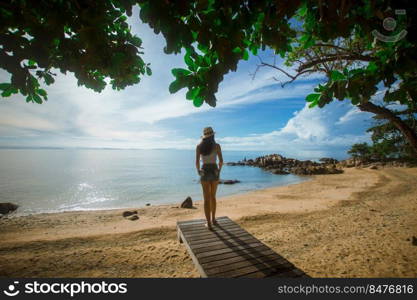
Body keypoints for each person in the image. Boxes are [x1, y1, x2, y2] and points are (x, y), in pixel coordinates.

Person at [196, 126, 223, 230]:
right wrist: (219, 171)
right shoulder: (217, 146)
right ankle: (214, 219)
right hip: (214, 170)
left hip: (205, 170)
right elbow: (221, 161)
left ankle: (209, 223)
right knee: (213, 197)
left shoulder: (199, 146)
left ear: (204, 136)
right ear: (213, 135)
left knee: (206, 199)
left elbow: (197, 162)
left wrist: (199, 171)